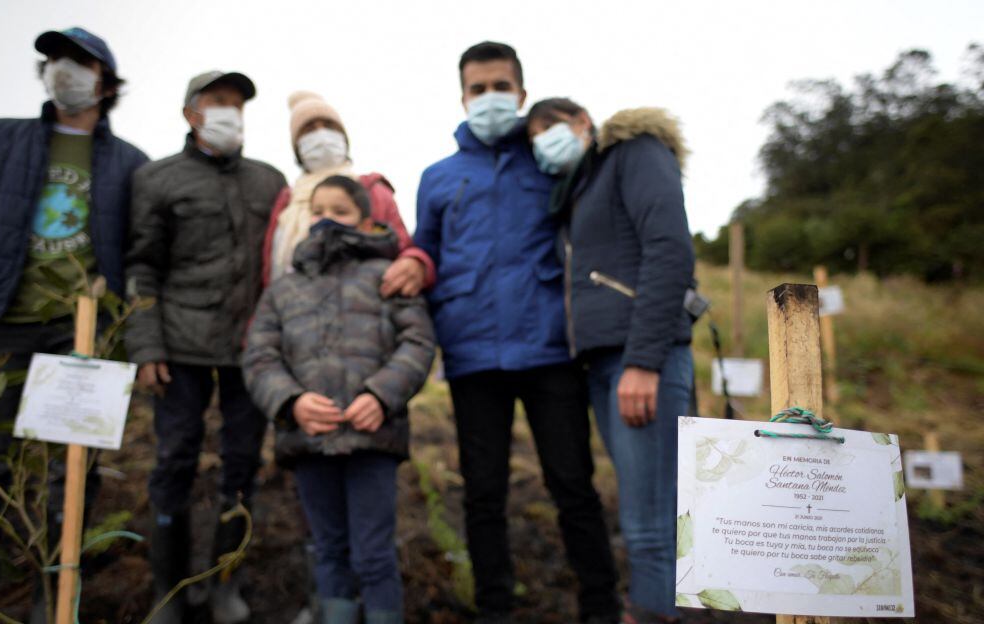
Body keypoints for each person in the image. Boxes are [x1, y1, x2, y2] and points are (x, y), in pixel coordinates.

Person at [0, 26, 147, 624]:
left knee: (71, 480)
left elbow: (139, 258)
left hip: (82, 339)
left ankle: (49, 607)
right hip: (5, 328)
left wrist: (129, 338)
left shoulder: (131, 164)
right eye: (54, 60)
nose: (64, 70)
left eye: (79, 62)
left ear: (106, 80)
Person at [414, 42, 619, 623]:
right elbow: (425, 255)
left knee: (573, 485)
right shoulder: (437, 178)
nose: (489, 98)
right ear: (462, 97)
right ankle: (494, 607)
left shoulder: (551, 164)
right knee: (484, 493)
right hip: (472, 355)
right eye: (478, 89)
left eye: (500, 86)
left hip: (551, 350)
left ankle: (600, 605)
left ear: (522, 94)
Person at [124, 70, 286, 624]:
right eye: (218, 102)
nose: (229, 112)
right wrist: (146, 348)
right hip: (180, 346)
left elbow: (277, 266)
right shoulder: (158, 179)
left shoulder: (269, 180)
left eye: (237, 104)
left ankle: (225, 583)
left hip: (250, 350)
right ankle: (168, 590)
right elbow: (142, 266)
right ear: (191, 112)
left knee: (242, 464)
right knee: (174, 460)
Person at [526, 98, 695, 624]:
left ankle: (652, 613)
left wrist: (644, 361)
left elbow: (668, 248)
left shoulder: (634, 152)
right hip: (602, 363)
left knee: (652, 523)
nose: (544, 141)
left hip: (641, 357)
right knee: (641, 511)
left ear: (583, 122)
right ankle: (649, 608)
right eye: (535, 137)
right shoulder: (574, 192)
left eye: (552, 126)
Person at [244, 175, 435, 624]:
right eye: (319, 210)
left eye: (341, 211)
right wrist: (291, 403)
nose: (327, 220)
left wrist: (380, 395)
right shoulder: (284, 290)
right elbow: (259, 356)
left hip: (373, 441)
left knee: (373, 553)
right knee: (328, 550)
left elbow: (418, 343)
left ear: (367, 222)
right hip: (309, 443)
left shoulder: (385, 278)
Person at [262, 91, 434, 297]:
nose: (321, 135)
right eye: (309, 129)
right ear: (297, 145)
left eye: (329, 126)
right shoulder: (285, 203)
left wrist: (415, 262)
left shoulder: (373, 191)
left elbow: (403, 246)